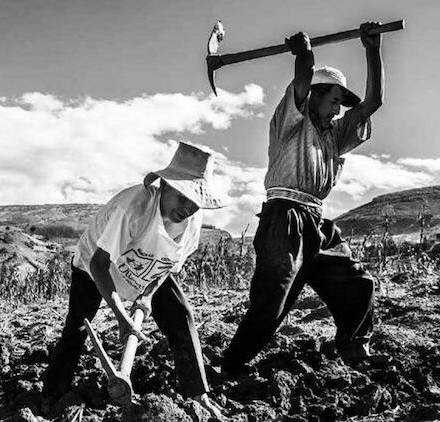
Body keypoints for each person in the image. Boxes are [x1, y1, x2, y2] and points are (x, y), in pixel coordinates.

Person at [222, 22, 385, 376]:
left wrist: (372, 49)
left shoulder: (335, 135)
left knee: (359, 285)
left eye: (342, 103)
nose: (339, 110)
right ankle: (232, 365)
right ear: (314, 95)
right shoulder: (290, 122)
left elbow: (373, 102)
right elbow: (304, 75)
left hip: (317, 223)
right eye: (334, 100)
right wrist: (304, 53)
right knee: (274, 297)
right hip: (284, 217)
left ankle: (354, 350)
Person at [43, 142, 224, 417]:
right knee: (78, 327)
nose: (188, 207)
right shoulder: (133, 208)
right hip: (95, 266)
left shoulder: (191, 228)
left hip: (144, 272)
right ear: (164, 185)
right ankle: (51, 395)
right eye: (183, 195)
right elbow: (99, 265)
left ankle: (197, 393)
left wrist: (147, 296)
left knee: (180, 316)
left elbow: (166, 268)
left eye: (196, 201)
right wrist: (121, 317)